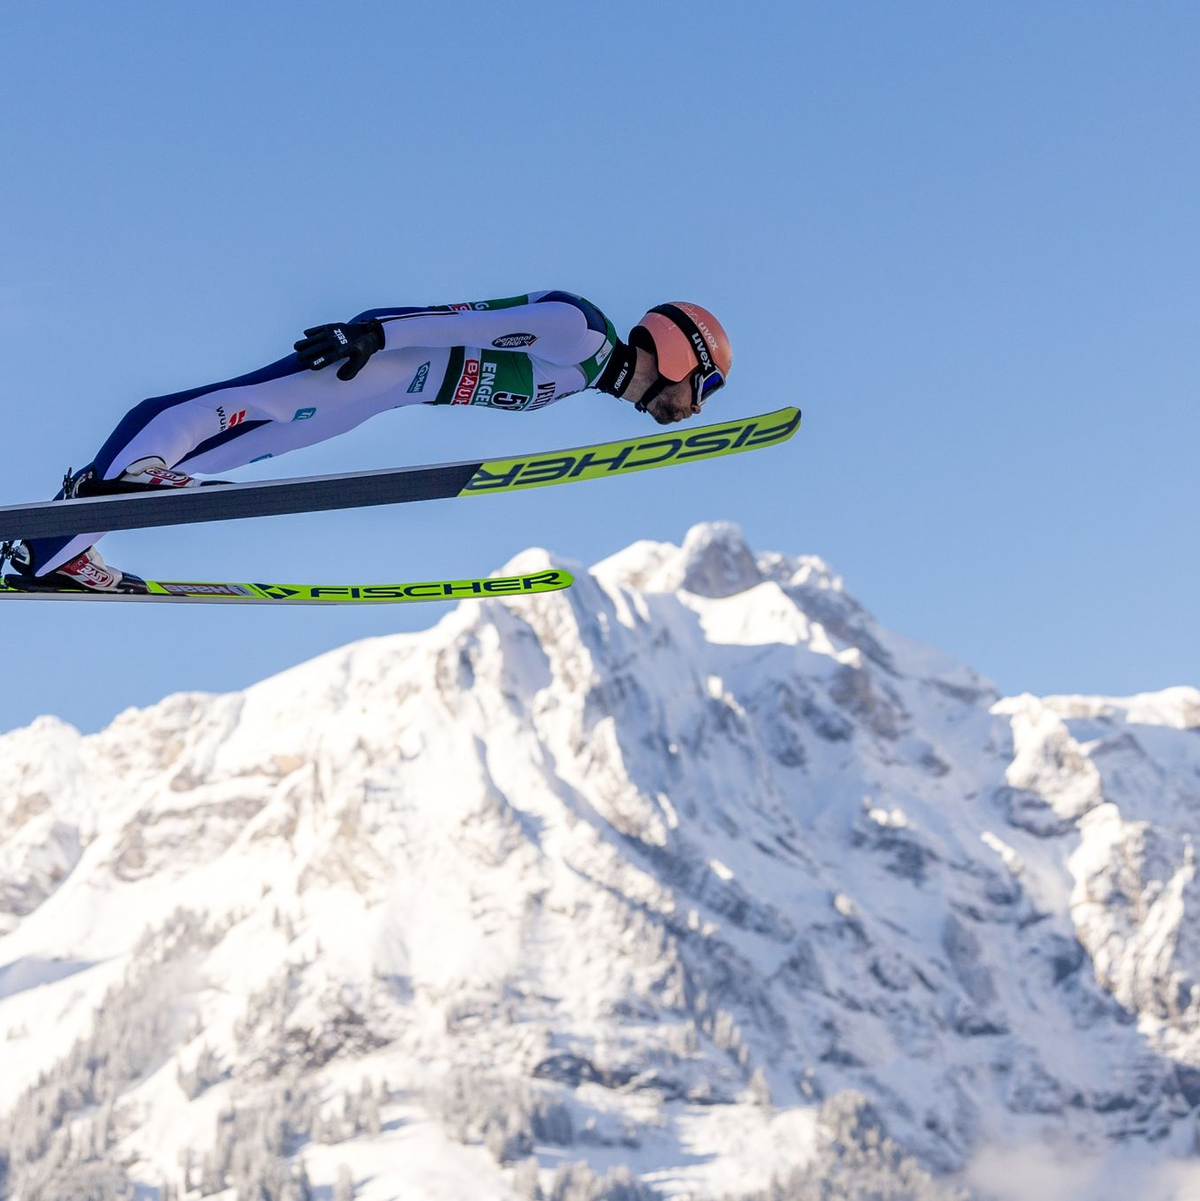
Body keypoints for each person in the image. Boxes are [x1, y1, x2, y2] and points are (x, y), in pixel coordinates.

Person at [4, 292, 732, 594]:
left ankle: (58, 550)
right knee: (229, 408)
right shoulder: (583, 331)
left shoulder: (580, 378)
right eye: (704, 386)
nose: (693, 407)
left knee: (228, 452)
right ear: (678, 350)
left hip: (381, 395)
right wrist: (372, 334)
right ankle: (120, 479)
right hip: (373, 364)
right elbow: (470, 319)